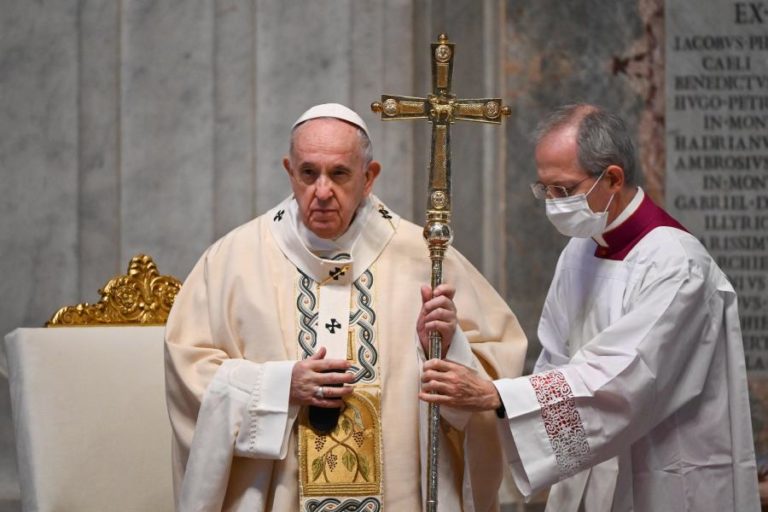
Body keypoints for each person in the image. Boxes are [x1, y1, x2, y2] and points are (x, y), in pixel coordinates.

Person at [164, 103, 527, 512]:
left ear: (369, 177)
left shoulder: (424, 257)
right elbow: (189, 371)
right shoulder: (233, 260)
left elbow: (495, 372)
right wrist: (282, 387)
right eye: (308, 173)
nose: (322, 191)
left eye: (339, 174)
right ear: (289, 170)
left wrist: (445, 345)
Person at [419, 104, 760, 511]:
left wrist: (501, 396)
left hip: (664, 472)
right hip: (588, 468)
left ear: (612, 178)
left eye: (563, 190)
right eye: (544, 189)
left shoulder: (677, 264)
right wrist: (466, 361)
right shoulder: (581, 250)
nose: (552, 203)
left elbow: (626, 380)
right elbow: (555, 362)